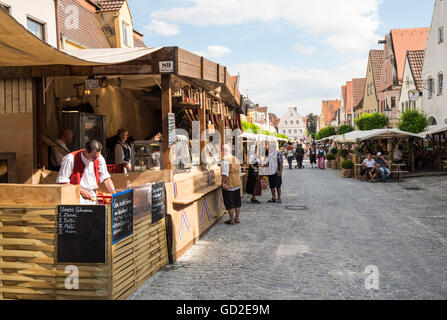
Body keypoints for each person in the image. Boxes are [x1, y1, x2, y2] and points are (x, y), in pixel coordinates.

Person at [57, 140, 116, 204]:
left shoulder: (99, 157)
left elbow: (106, 178)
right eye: (94, 157)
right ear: (85, 152)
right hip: (75, 197)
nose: (96, 159)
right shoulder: (70, 159)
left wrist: (114, 195)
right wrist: (81, 191)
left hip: (93, 196)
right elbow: (62, 182)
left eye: (98, 156)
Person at [221, 144, 242, 225]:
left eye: (222, 150)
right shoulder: (235, 158)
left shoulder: (225, 160)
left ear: (225, 150)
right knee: (237, 203)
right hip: (237, 183)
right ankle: (237, 218)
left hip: (229, 184)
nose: (221, 152)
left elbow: (225, 173)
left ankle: (232, 220)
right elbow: (239, 172)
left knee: (230, 204)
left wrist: (222, 183)